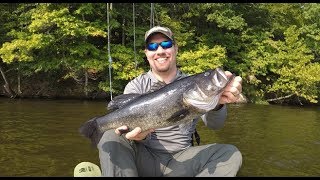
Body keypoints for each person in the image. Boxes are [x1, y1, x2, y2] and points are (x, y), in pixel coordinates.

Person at [97, 26, 243, 177]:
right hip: (144, 159)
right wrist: (138, 136)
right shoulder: (136, 86)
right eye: (152, 46)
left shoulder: (194, 83)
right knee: (110, 136)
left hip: (183, 162)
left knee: (230, 154)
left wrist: (218, 104)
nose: (160, 51)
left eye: (166, 44)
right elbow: (125, 129)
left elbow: (215, 125)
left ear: (175, 49)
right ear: (146, 53)